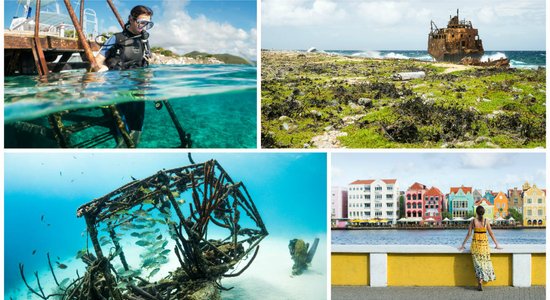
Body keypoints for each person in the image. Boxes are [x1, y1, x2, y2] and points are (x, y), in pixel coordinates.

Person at [95, 5, 154, 147]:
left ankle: (130, 149)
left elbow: (147, 63)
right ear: (131, 19)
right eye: (141, 22)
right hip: (118, 87)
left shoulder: (144, 41)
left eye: (148, 24)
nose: (144, 27)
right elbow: (96, 61)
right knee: (121, 127)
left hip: (138, 88)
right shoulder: (116, 39)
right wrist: (102, 68)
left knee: (137, 128)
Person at [458, 206, 502, 291]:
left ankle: (480, 281)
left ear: (476, 213)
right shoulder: (486, 221)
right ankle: (482, 280)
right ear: (484, 212)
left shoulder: (473, 221)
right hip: (484, 246)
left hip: (475, 246)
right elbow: (491, 233)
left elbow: (469, 234)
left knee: (477, 265)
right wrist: (497, 244)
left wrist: (463, 244)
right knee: (484, 263)